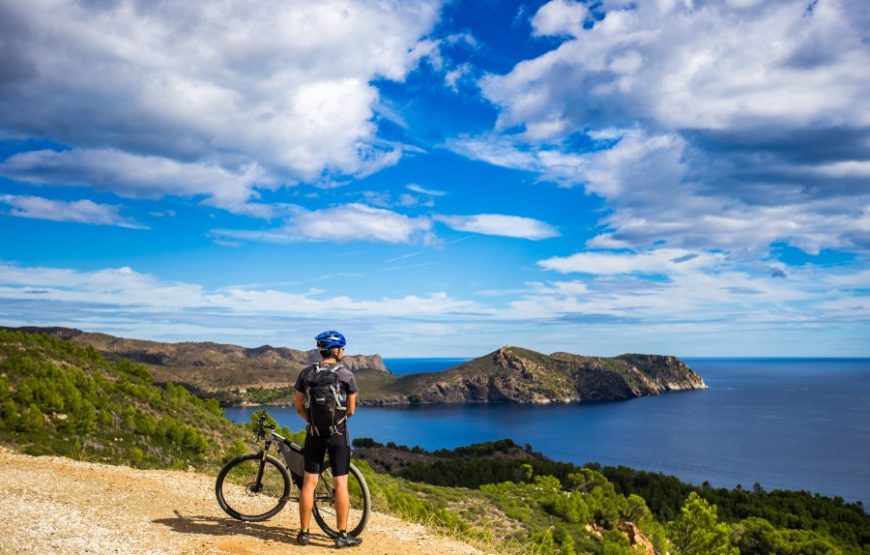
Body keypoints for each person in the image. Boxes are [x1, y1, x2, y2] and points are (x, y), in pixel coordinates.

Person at [294, 330, 362, 549]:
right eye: (342, 348)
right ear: (336, 350)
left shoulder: (305, 374)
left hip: (313, 435)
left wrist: (313, 423)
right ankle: (342, 535)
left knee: (309, 483)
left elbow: (298, 408)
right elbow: (351, 410)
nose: (343, 352)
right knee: (341, 483)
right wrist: (335, 424)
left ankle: (303, 534)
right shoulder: (346, 375)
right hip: (337, 436)